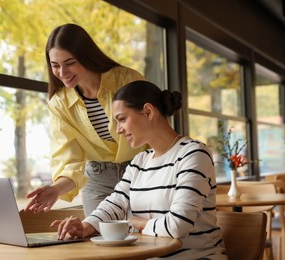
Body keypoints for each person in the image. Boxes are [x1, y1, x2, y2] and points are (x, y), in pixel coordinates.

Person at [51, 80, 227, 259]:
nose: (118, 130)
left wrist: (142, 225)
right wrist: (85, 227)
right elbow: (115, 204)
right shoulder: (140, 161)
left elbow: (177, 225)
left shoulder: (193, 154)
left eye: (121, 119)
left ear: (148, 111)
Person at [25, 23, 147, 216]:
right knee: (97, 239)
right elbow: (70, 161)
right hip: (98, 180)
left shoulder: (127, 79)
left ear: (86, 55)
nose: (62, 73)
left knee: (145, 237)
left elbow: (154, 129)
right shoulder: (60, 103)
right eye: (55, 65)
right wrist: (55, 189)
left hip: (142, 172)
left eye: (69, 63)